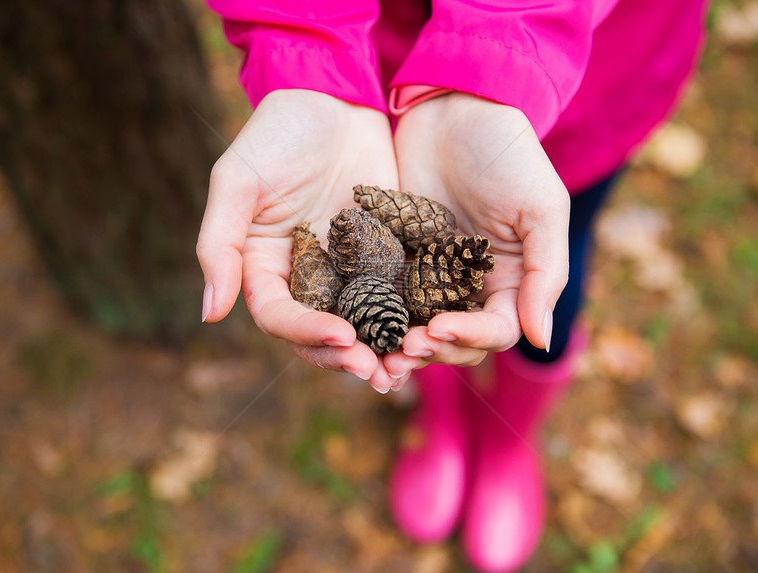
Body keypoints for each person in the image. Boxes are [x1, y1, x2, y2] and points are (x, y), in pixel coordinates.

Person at [196, 1, 707, 570]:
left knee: (549, 282)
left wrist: (495, 60)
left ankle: (510, 443)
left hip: (602, 72)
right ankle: (441, 420)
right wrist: (307, 55)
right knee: (440, 329)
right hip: (376, 73)